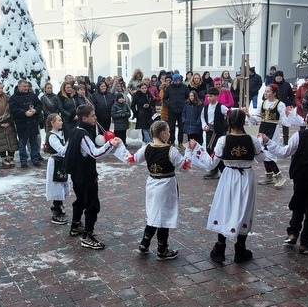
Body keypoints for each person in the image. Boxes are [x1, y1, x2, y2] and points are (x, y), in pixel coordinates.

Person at [189, 109, 265, 263]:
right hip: (246, 177)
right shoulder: (252, 140)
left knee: (225, 208)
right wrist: (261, 142)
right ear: (243, 121)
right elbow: (261, 159)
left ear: (229, 122)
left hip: (229, 177)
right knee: (244, 209)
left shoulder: (223, 140)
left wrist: (197, 148)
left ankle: (220, 247)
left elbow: (211, 164)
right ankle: (240, 248)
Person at [262, 106, 308, 255]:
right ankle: (306, 241)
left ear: (307, 119)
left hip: (300, 175)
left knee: (298, 203)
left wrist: (268, 142)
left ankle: (292, 233)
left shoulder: (299, 135)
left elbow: (284, 152)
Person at [62, 105, 121, 250]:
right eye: (93, 115)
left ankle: (75, 225)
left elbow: (65, 150)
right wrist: (110, 144)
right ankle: (88, 236)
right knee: (92, 205)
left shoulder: (74, 131)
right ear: (84, 118)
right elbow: (95, 153)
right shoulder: (83, 135)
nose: (96, 117)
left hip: (76, 174)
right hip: (86, 175)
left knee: (81, 200)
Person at [132, 120, 188, 261]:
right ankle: (162, 249)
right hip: (166, 185)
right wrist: (191, 152)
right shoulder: (171, 150)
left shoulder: (146, 148)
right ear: (163, 133)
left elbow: (133, 159)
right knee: (164, 217)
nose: (169, 134)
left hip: (152, 183)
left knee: (153, 213)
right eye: (168, 131)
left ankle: (144, 244)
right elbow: (184, 167)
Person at [248, 84, 289, 189]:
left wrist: (288, 117)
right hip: (263, 128)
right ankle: (269, 176)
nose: (266, 93)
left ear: (274, 93)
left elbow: (283, 120)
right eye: (265, 91)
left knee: (269, 153)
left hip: (273, 129)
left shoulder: (280, 104)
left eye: (268, 91)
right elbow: (257, 118)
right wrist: (248, 115)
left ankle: (279, 176)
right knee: (262, 151)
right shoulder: (263, 103)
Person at [9, 80, 43, 168]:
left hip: (33, 123)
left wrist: (35, 110)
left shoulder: (32, 95)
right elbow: (13, 109)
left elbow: (39, 104)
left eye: (27, 86)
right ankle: (23, 161)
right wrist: (24, 112)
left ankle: (35, 158)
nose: (26, 88)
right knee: (22, 143)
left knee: (34, 143)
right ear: (19, 87)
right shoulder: (13, 98)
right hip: (22, 124)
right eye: (24, 87)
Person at [44, 114, 69, 225]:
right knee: (56, 185)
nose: (61, 122)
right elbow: (61, 150)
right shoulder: (52, 136)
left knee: (61, 183)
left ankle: (59, 204)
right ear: (52, 123)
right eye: (59, 120)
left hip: (61, 162)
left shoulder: (58, 134)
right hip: (56, 162)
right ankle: (56, 209)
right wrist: (70, 143)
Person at [201, 87, 230, 180]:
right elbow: (202, 118)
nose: (209, 98)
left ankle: (223, 169)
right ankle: (214, 170)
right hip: (209, 131)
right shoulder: (205, 107)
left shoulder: (220, 106)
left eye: (211, 96)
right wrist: (204, 125)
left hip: (218, 132)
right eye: (208, 96)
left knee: (215, 150)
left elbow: (229, 113)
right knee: (209, 149)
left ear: (217, 96)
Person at [163, 73, 188, 147]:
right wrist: (169, 104)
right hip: (172, 110)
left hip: (181, 110)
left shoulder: (184, 87)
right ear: (173, 81)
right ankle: (172, 141)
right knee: (171, 127)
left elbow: (188, 96)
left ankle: (180, 142)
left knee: (181, 127)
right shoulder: (169, 88)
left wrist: (185, 103)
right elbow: (164, 98)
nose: (177, 82)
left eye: (178, 80)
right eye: (176, 81)